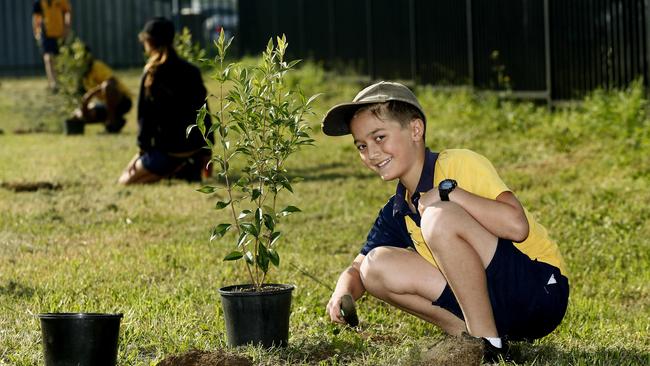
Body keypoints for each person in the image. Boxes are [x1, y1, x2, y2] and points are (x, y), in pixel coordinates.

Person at [321, 81, 569, 362]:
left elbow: (517, 226)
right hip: (497, 309)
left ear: (416, 130)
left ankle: (489, 346)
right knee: (375, 266)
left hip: (538, 290)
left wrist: (449, 194)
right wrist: (342, 292)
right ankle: (475, 340)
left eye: (379, 138)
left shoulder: (457, 165)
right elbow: (358, 267)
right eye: (361, 146)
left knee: (438, 218)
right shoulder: (398, 209)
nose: (371, 153)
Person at [118, 17, 212, 185]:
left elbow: (144, 118)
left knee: (125, 180)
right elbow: (204, 113)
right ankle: (184, 168)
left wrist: (141, 152)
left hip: (167, 152)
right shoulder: (192, 71)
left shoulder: (151, 74)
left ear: (149, 42)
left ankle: (172, 170)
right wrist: (206, 153)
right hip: (194, 149)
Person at [68, 47, 132, 133]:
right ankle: (116, 122)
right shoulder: (83, 76)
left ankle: (112, 120)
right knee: (80, 112)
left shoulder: (97, 66)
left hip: (122, 101)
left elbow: (111, 82)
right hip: (105, 104)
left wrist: (90, 94)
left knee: (107, 87)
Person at [32, 0, 72, 92]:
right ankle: (53, 83)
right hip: (46, 33)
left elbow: (67, 12)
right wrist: (36, 30)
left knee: (60, 58)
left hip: (60, 32)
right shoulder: (39, 2)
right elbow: (36, 17)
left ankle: (62, 81)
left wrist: (67, 27)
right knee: (48, 57)